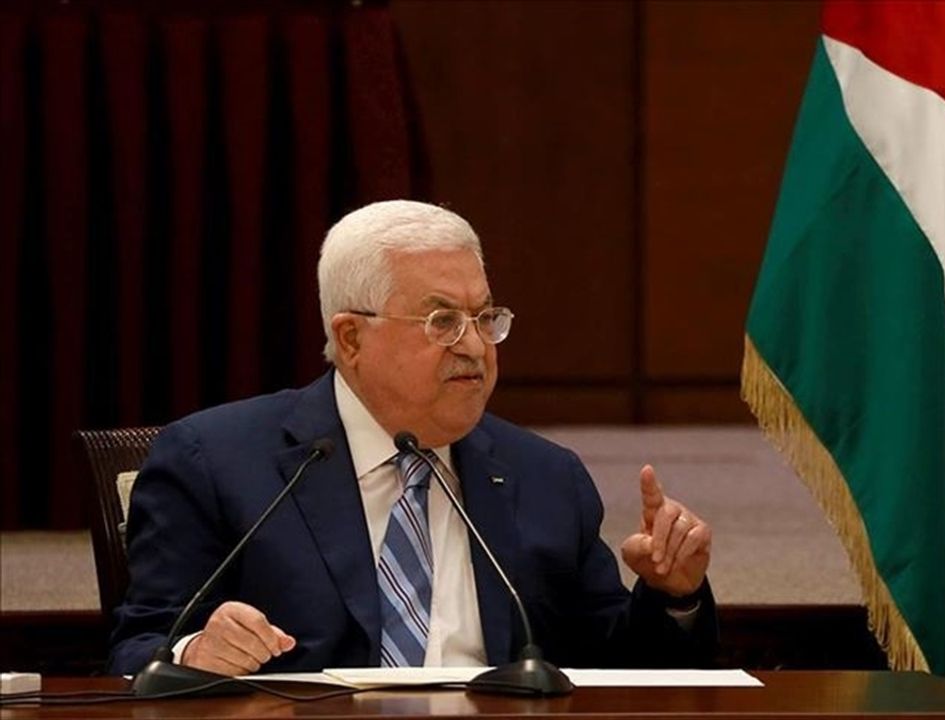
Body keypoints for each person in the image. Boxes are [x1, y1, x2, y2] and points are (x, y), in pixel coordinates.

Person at [107, 201, 716, 675]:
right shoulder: (216, 462)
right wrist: (196, 652)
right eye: (442, 321)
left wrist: (674, 597)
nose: (475, 346)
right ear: (351, 338)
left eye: (484, 318)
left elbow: (611, 670)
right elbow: (137, 652)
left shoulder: (546, 477)